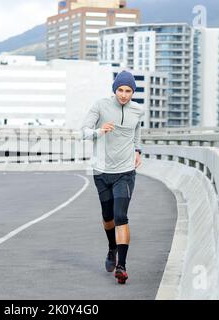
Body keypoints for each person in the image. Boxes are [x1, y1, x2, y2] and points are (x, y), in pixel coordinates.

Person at [81, 70, 145, 284]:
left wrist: (137, 150)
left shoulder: (138, 110)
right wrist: (100, 131)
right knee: (107, 217)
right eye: (120, 90)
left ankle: (122, 266)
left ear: (133, 92)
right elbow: (84, 131)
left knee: (120, 216)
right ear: (114, 89)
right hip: (101, 171)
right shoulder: (100, 105)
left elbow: (136, 133)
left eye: (128, 91)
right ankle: (111, 248)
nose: (124, 95)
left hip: (125, 172)